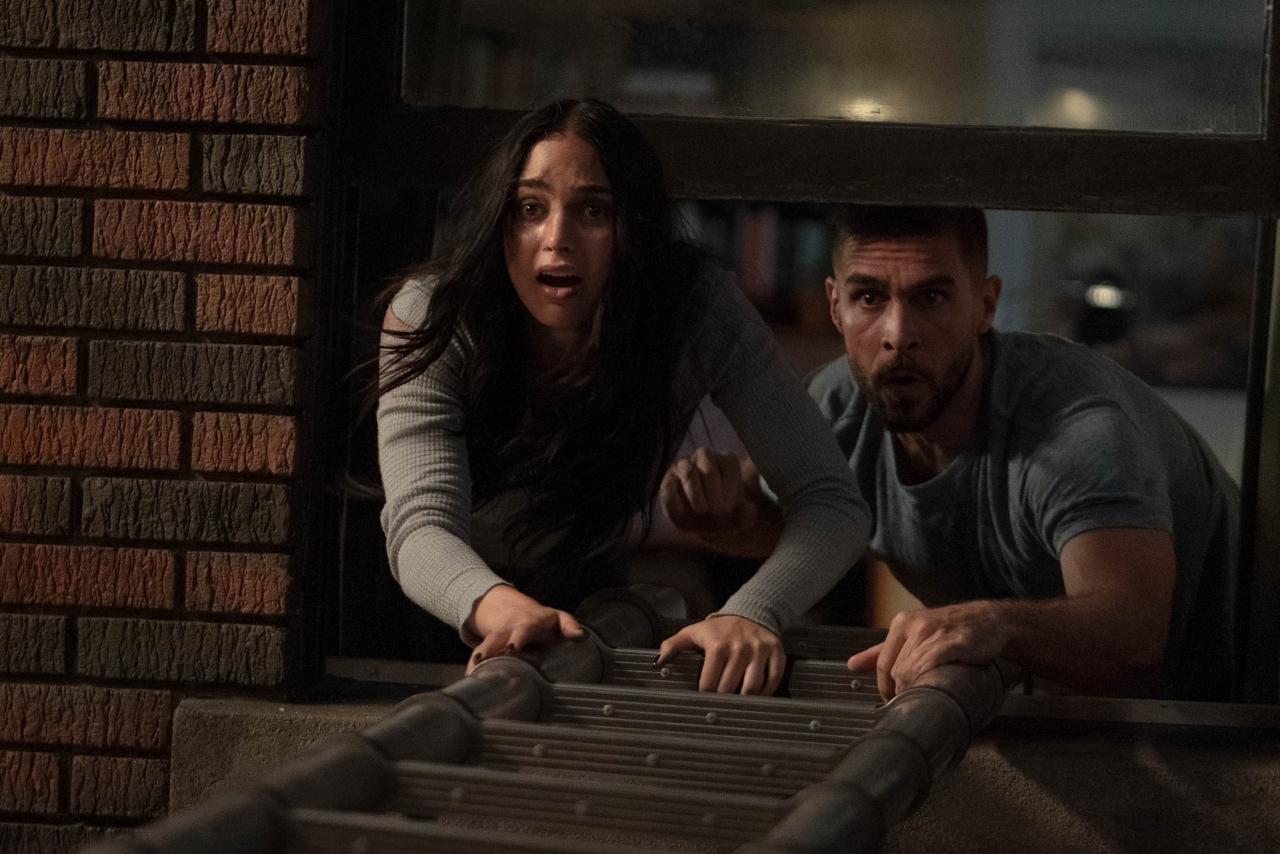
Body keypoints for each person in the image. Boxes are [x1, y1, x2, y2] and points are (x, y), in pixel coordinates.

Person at [377, 99, 870, 695]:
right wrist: (504, 609)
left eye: (593, 210)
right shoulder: (436, 312)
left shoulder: (691, 307)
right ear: (499, 223)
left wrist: (750, 612)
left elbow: (834, 503)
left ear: (632, 225)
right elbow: (420, 525)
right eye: (530, 208)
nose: (556, 240)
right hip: (439, 598)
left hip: (589, 590)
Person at [662, 204, 1240, 702]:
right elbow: (795, 527)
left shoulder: (1075, 428)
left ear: (985, 305)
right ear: (835, 306)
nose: (897, 333)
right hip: (1057, 701)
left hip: (1230, 707)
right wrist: (727, 517)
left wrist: (995, 623)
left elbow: (1136, 640)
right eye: (869, 297)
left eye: (931, 297)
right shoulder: (839, 403)